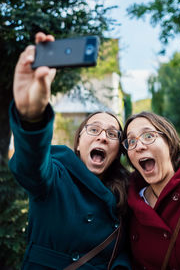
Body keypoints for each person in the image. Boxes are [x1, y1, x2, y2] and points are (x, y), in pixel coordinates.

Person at [9, 32, 132, 270]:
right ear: (78, 142)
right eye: (93, 129)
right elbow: (30, 166)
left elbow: (126, 249)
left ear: (118, 150)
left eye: (112, 133)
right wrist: (32, 118)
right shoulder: (56, 175)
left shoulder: (127, 192)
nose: (102, 137)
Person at [122, 111, 180, 270]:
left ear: (169, 141)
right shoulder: (129, 204)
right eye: (131, 141)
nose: (139, 146)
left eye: (148, 136)